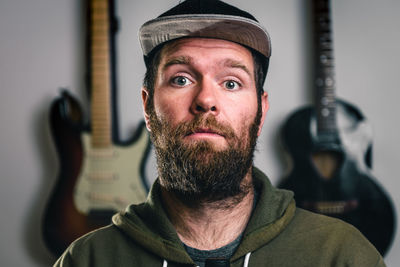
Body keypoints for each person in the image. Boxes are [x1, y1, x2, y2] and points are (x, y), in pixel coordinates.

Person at [54, 0, 385, 266]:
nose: (206, 100)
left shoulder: (342, 255)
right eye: (180, 79)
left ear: (261, 108)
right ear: (147, 106)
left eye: (231, 83)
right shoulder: (86, 259)